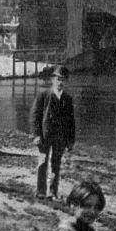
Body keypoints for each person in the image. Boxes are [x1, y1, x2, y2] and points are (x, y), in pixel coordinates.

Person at [31, 66, 78, 201]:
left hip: (60, 137)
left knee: (56, 165)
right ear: (52, 79)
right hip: (44, 136)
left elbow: (71, 121)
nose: (60, 82)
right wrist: (36, 135)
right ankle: (40, 191)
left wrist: (71, 140)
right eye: (58, 79)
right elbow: (35, 116)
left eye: (63, 79)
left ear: (66, 81)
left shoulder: (67, 99)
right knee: (42, 162)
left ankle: (52, 192)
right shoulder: (44, 95)